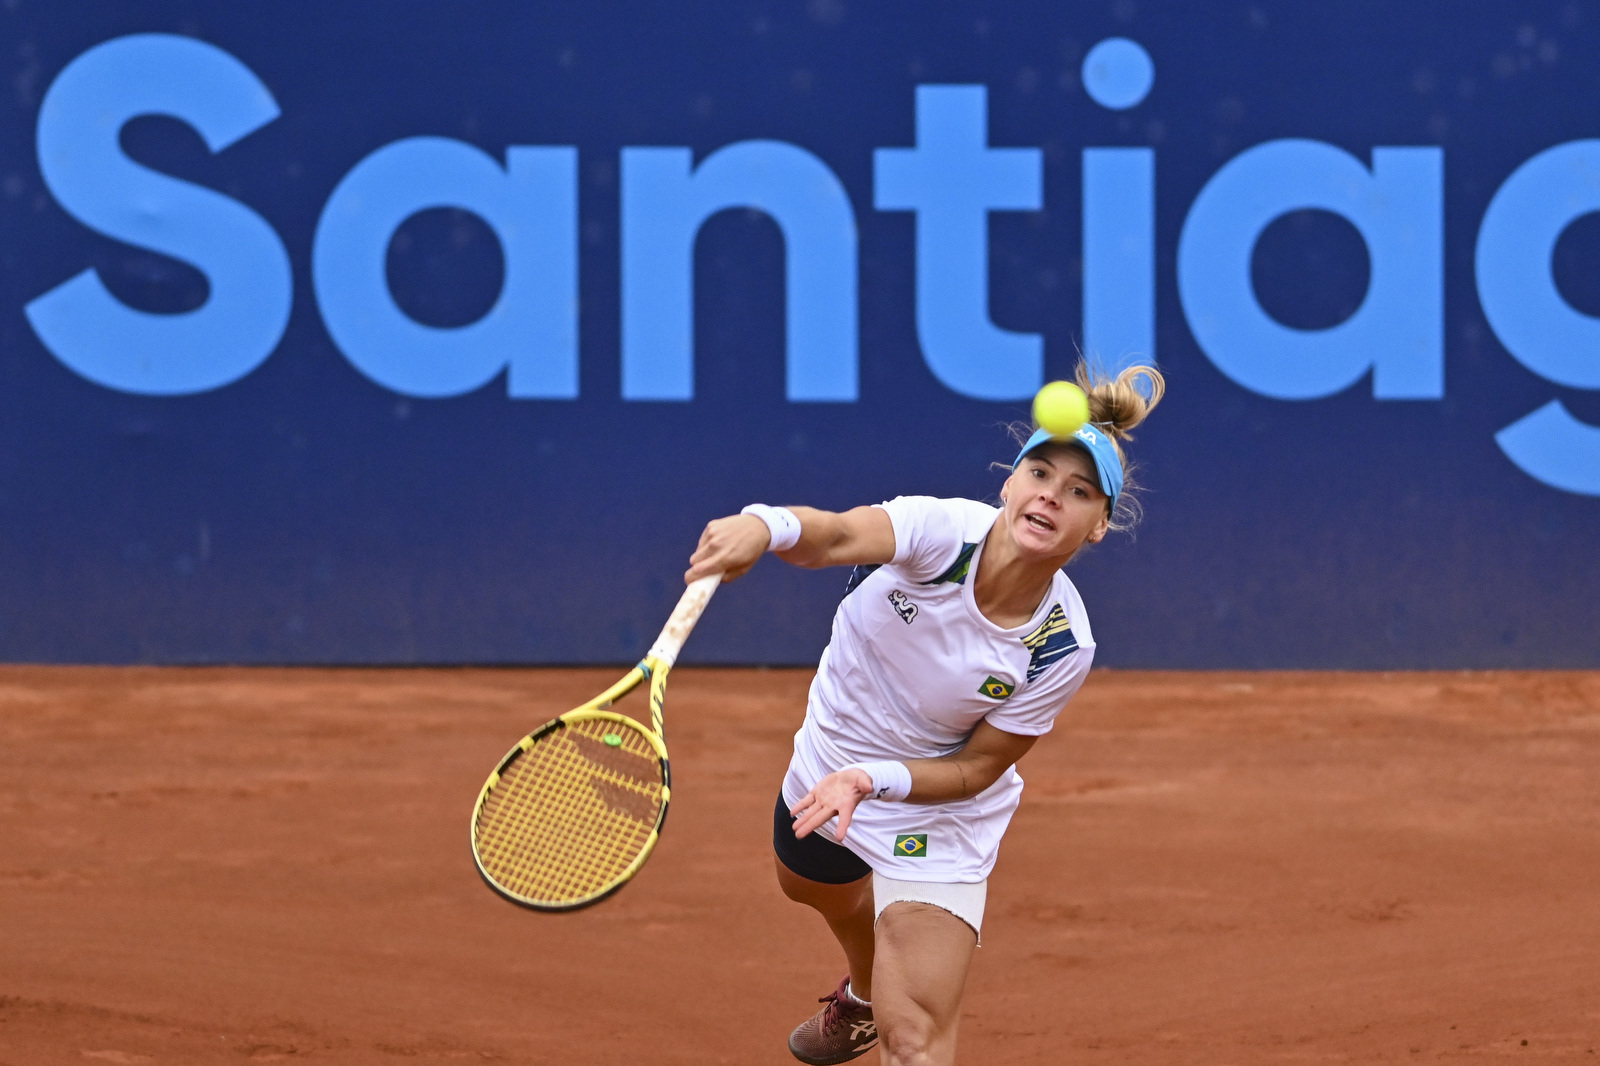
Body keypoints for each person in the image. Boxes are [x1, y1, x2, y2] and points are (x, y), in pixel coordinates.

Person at [684, 363, 1165, 1066]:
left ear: (1098, 526)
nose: (1051, 497)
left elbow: (976, 768)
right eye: (1040, 474)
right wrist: (766, 525)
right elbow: (838, 536)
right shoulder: (943, 534)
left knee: (916, 1046)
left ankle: (888, 1004)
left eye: (1080, 491)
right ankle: (866, 993)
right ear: (1009, 483)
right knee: (811, 886)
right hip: (827, 759)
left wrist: (872, 780)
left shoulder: (1062, 644)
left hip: (937, 811)